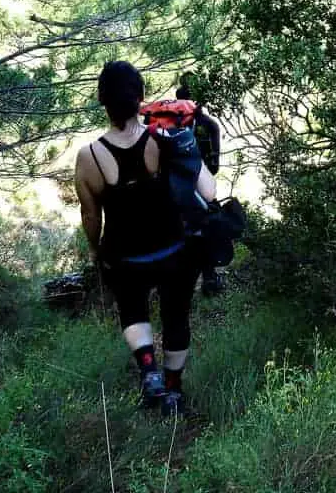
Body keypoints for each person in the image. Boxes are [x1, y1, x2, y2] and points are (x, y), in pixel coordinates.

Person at [74, 61, 216, 417]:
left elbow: (90, 215)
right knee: (176, 317)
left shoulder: (88, 156)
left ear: (100, 99)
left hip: (125, 257)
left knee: (133, 310)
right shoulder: (165, 139)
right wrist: (187, 145)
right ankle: (174, 392)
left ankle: (149, 372)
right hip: (174, 249)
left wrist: (95, 249)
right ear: (140, 98)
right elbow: (209, 193)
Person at [174, 76, 226, 296]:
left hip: (171, 188)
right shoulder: (209, 125)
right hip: (201, 188)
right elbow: (214, 166)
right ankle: (209, 279)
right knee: (207, 229)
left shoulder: (166, 126)